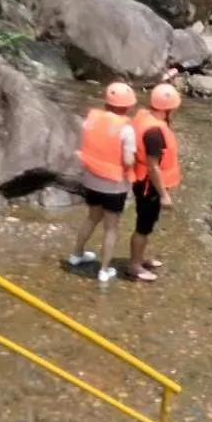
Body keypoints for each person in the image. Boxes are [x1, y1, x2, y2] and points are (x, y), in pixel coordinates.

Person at [69, 81, 138, 284]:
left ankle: (76, 255)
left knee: (91, 218)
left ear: (107, 103)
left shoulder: (91, 119)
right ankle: (104, 270)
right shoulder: (127, 130)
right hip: (114, 185)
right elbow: (128, 160)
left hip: (91, 178)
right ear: (128, 106)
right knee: (111, 227)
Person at [127, 83, 181, 283]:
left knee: (148, 223)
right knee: (144, 225)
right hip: (148, 184)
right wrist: (164, 195)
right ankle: (134, 265)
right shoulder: (154, 133)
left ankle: (140, 258)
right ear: (168, 108)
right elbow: (153, 166)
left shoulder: (145, 117)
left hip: (146, 181)